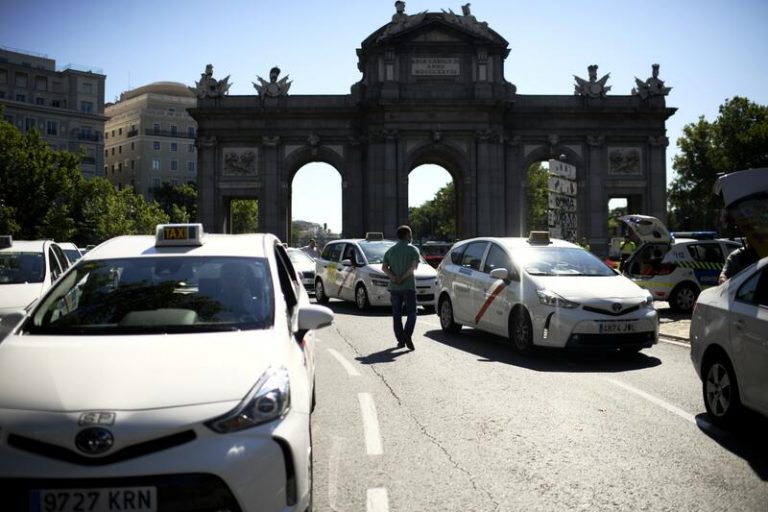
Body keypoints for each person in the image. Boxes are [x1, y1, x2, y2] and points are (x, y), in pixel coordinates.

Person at [382, 225, 420, 350]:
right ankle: (407, 335)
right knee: (412, 313)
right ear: (407, 235)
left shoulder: (390, 251)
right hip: (408, 286)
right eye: (410, 234)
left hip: (394, 287)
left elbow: (384, 268)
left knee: (396, 315)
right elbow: (413, 267)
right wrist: (402, 277)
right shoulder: (413, 250)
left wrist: (394, 278)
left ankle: (400, 340)